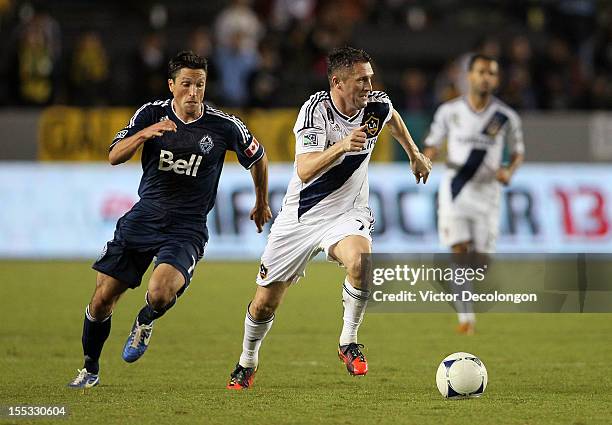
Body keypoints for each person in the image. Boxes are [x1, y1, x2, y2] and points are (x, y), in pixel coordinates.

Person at [226, 46, 432, 389]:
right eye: (360, 80)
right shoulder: (315, 111)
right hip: (301, 216)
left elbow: (392, 116)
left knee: (362, 262)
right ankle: (247, 361)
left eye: (370, 78)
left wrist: (414, 154)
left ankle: (348, 342)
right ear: (337, 81)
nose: (369, 86)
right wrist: (342, 146)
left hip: (347, 213)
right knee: (264, 304)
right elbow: (304, 169)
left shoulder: (376, 104)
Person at [67, 51, 272, 388]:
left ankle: (145, 320)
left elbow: (259, 157)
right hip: (143, 219)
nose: (194, 92)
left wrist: (261, 201)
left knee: (161, 293)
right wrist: (144, 134)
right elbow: (114, 155)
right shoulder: (150, 114)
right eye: (187, 84)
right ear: (172, 85)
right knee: (102, 298)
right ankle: (90, 368)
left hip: (186, 228)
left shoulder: (223, 125)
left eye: (200, 85)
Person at [423, 54, 525, 335]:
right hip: (456, 188)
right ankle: (466, 319)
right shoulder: (449, 111)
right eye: (481, 72)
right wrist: (425, 159)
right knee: (459, 251)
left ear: (497, 79)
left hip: (488, 193)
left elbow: (518, 152)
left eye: (491, 73)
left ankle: (461, 286)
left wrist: (509, 170)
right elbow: (432, 143)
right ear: (469, 76)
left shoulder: (505, 117)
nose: (485, 77)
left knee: (480, 263)